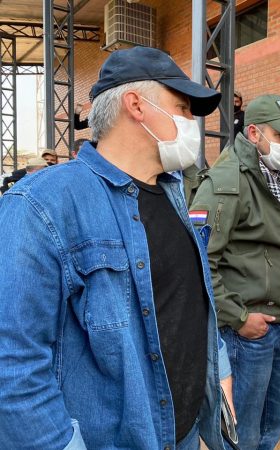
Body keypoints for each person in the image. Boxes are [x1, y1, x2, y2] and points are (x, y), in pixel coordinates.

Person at [0, 46, 233, 450]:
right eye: (182, 107)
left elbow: (187, 305)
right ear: (136, 105)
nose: (192, 123)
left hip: (185, 434)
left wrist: (218, 383)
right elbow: (13, 364)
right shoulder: (41, 205)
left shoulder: (174, 193)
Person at [190, 94, 280, 450]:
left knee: (272, 426)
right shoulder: (227, 181)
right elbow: (199, 258)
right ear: (254, 132)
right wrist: (239, 317)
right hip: (248, 333)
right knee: (242, 436)